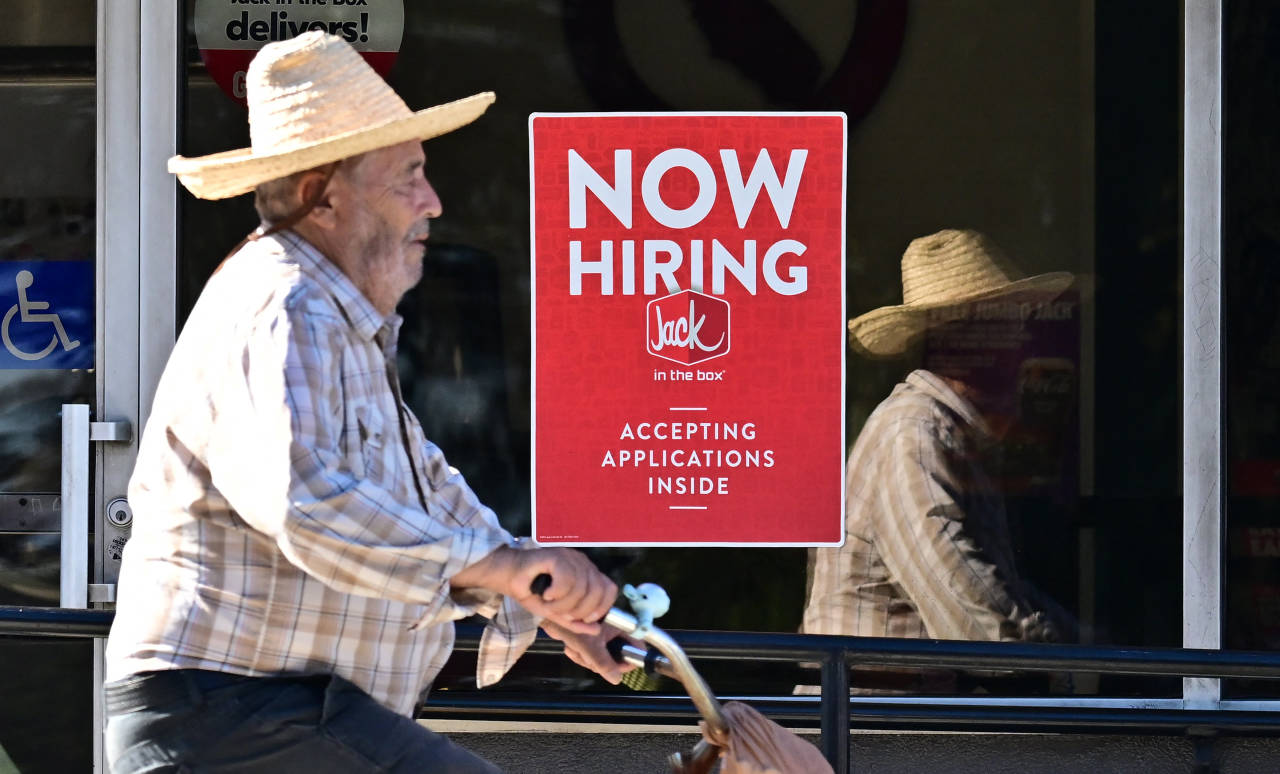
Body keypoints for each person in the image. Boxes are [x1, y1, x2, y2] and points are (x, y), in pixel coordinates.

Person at [104, 32, 625, 773]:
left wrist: (541, 597)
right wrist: (504, 566)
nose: (433, 202)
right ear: (322, 196)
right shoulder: (286, 304)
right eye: (408, 177)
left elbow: (422, 493)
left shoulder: (333, 318)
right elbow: (304, 501)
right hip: (234, 714)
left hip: (265, 714)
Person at [801, 229, 1078, 687]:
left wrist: (1075, 640)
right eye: (1011, 322)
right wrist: (1061, 662)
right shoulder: (914, 431)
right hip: (874, 722)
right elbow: (970, 604)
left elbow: (988, 582)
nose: (1027, 340)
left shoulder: (945, 431)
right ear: (965, 337)